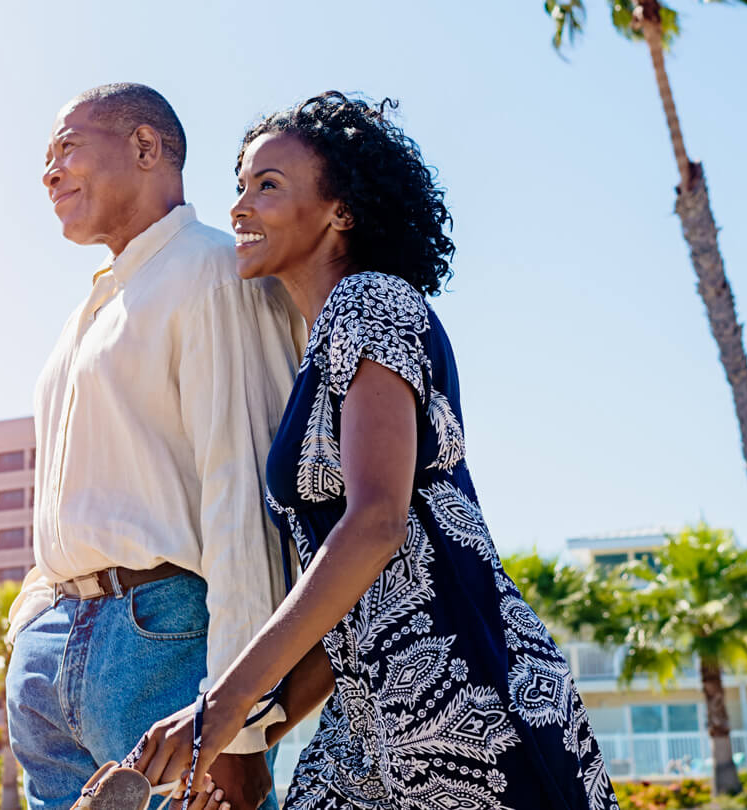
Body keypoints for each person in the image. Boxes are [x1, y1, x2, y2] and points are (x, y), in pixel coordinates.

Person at [126, 91, 618, 810]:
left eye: (268, 185)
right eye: (239, 185)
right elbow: (352, 596)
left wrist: (220, 708)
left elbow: (377, 522)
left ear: (342, 212)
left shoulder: (371, 302)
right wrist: (244, 742)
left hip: (466, 706)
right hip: (365, 720)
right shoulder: (321, 351)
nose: (239, 206)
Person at [6, 82, 304, 810]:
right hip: (51, 661)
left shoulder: (210, 269)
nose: (49, 172)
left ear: (145, 147)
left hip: (159, 644)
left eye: (67, 147)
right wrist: (28, 633)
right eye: (46, 158)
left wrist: (238, 727)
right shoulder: (88, 311)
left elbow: (243, 495)